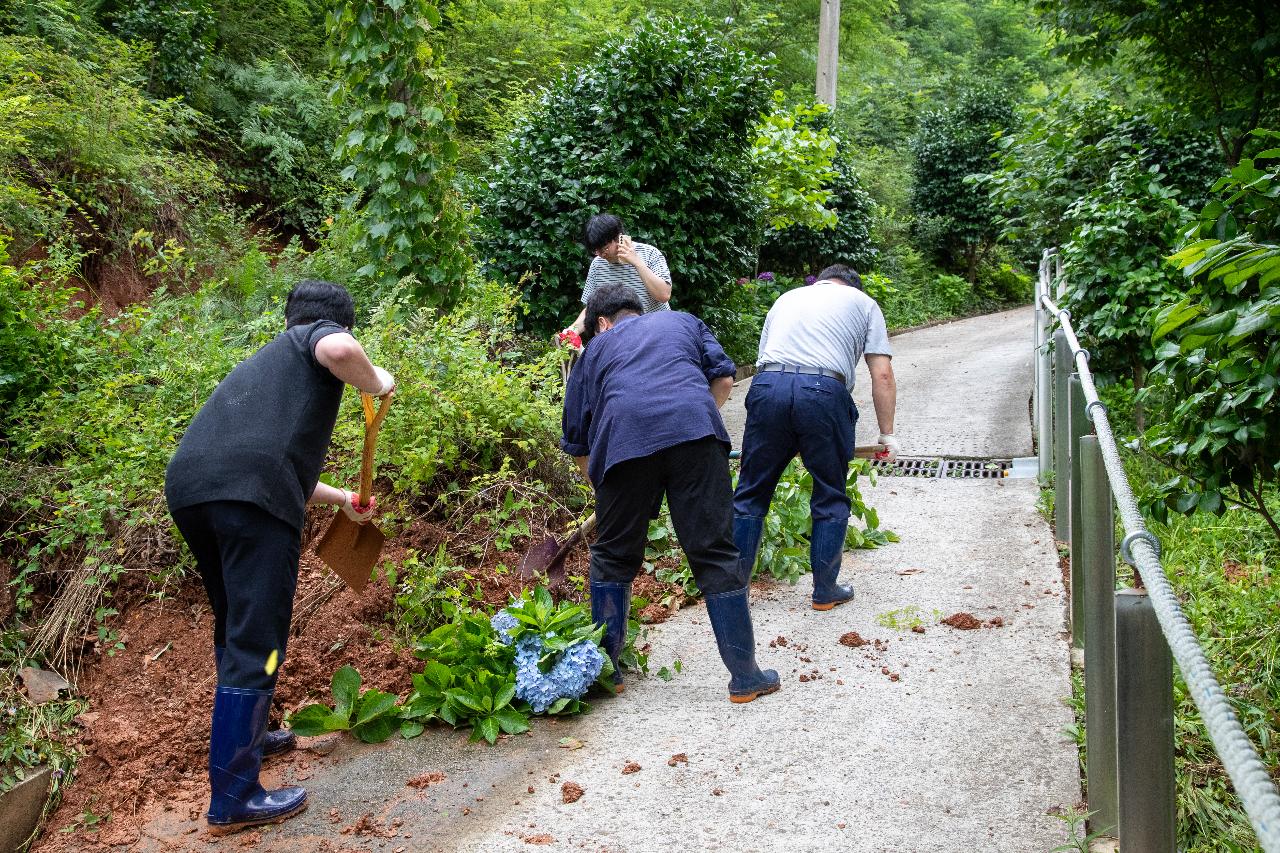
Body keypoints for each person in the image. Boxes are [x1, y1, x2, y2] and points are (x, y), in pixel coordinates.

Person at [164, 280, 395, 834]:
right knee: (260, 638)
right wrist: (378, 381)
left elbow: (275, 466)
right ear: (337, 323)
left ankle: (252, 734)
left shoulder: (266, 368)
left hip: (194, 491)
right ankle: (234, 796)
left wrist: (344, 501)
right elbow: (340, 350)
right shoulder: (320, 341)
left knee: (235, 622)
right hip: (250, 500)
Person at [561, 284, 779, 704]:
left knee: (612, 556)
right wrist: (693, 420)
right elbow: (724, 377)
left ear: (600, 324)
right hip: (694, 432)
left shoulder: (593, 351)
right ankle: (746, 677)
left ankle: (609, 675)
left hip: (622, 443)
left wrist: (605, 493)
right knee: (715, 551)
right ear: (638, 312)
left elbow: (578, 440)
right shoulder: (682, 321)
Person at [732, 264, 899, 611]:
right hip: (823, 392)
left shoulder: (786, 298)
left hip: (767, 387)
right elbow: (881, 374)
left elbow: (766, 357)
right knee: (829, 492)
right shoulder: (864, 303)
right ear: (853, 286)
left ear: (823, 280)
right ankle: (825, 592)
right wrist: (887, 435)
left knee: (750, 494)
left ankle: (733, 593)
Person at [564, 213, 672, 337]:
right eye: (595, 250)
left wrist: (636, 262)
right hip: (624, 340)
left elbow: (664, 295)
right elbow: (591, 309)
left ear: (619, 238)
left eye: (604, 248)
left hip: (658, 333)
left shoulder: (650, 254)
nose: (600, 254)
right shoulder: (597, 265)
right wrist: (573, 330)